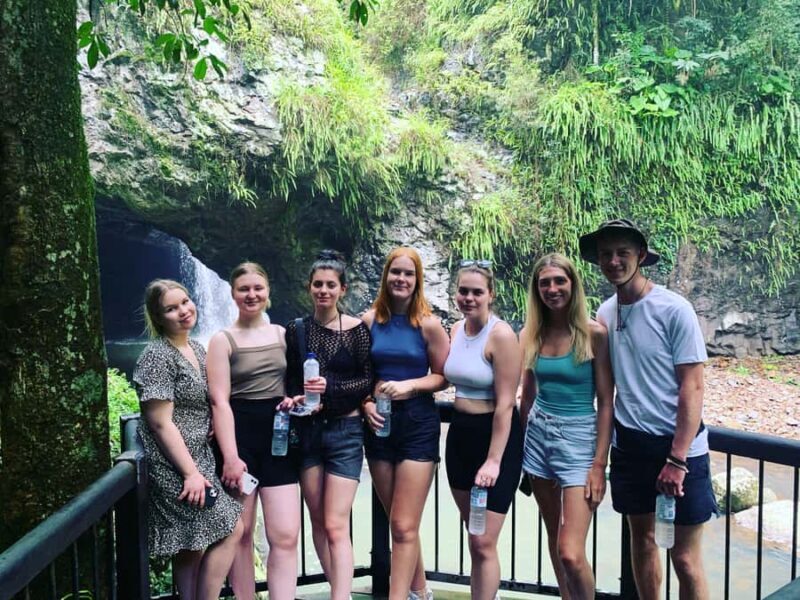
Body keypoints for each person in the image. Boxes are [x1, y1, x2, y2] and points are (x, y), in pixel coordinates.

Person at [579, 219, 717, 600]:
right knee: (642, 542)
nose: (613, 261)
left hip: (679, 447)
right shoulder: (605, 315)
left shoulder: (674, 309)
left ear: (640, 256)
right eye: (606, 254)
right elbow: (606, 392)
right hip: (631, 446)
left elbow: (693, 385)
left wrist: (677, 459)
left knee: (685, 558)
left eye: (622, 253)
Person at [207, 263, 317, 600]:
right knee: (239, 533)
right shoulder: (221, 340)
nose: (251, 295)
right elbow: (219, 402)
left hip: (280, 438)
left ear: (268, 291)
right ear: (233, 293)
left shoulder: (284, 335)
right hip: (239, 440)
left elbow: (295, 385)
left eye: (258, 288)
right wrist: (230, 457)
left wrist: (295, 399)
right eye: (244, 289)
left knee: (284, 534)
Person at [133, 279, 243, 600]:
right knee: (227, 529)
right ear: (158, 317)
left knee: (192, 545)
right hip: (177, 468)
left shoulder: (195, 347)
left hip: (199, 460)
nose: (183, 311)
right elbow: (160, 423)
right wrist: (190, 473)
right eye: (171, 308)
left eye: (185, 302)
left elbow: (200, 400)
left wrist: (210, 421)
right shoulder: (157, 356)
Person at [518, 253, 614, 600]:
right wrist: (519, 447)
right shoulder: (530, 333)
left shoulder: (594, 335)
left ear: (573, 285)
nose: (552, 289)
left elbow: (606, 402)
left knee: (571, 552)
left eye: (560, 281)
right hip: (539, 436)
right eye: (545, 282)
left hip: (579, 439)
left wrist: (598, 466)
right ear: (536, 289)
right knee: (554, 536)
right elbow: (526, 396)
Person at [362, 247, 450, 600]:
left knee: (402, 525)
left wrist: (410, 385)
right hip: (379, 421)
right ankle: (421, 591)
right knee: (400, 521)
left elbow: (444, 376)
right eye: (395, 272)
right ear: (386, 276)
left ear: (417, 281)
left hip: (418, 422)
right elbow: (360, 374)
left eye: (408, 274)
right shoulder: (369, 321)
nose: (401, 279)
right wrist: (366, 402)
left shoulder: (428, 324)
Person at [285, 250, 374, 600]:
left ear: (342, 289)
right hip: (308, 431)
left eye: (330, 285)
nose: (324, 290)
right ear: (309, 288)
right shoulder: (298, 330)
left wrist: (330, 389)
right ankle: (342, 590)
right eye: (318, 284)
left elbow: (368, 379)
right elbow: (292, 379)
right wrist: (295, 397)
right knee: (318, 520)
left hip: (345, 432)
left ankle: (341, 596)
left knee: (336, 523)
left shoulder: (357, 331)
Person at [443, 260, 523, 600]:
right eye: (463, 291)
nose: (469, 298)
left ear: (491, 295)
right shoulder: (457, 330)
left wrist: (493, 461)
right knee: (473, 534)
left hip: (495, 439)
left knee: (483, 540)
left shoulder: (501, 335)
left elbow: (506, 404)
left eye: (477, 292)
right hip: (460, 435)